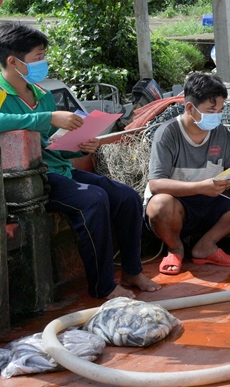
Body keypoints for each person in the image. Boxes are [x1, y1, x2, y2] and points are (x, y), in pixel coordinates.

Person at [0, 22, 159, 299]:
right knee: (93, 199)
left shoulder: (42, 95)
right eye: (38, 57)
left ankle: (132, 271)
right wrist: (47, 118)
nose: (44, 63)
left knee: (126, 196)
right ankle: (103, 286)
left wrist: (82, 147)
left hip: (60, 171)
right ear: (13, 61)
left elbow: (50, 144)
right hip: (32, 180)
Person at [145, 72, 230, 275]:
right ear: (189, 108)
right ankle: (175, 248)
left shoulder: (220, 132)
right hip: (180, 206)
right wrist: (199, 187)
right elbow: (156, 185)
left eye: (220, 110)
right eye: (211, 110)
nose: (217, 116)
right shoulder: (168, 134)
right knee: (159, 205)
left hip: (213, 202)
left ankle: (206, 245)